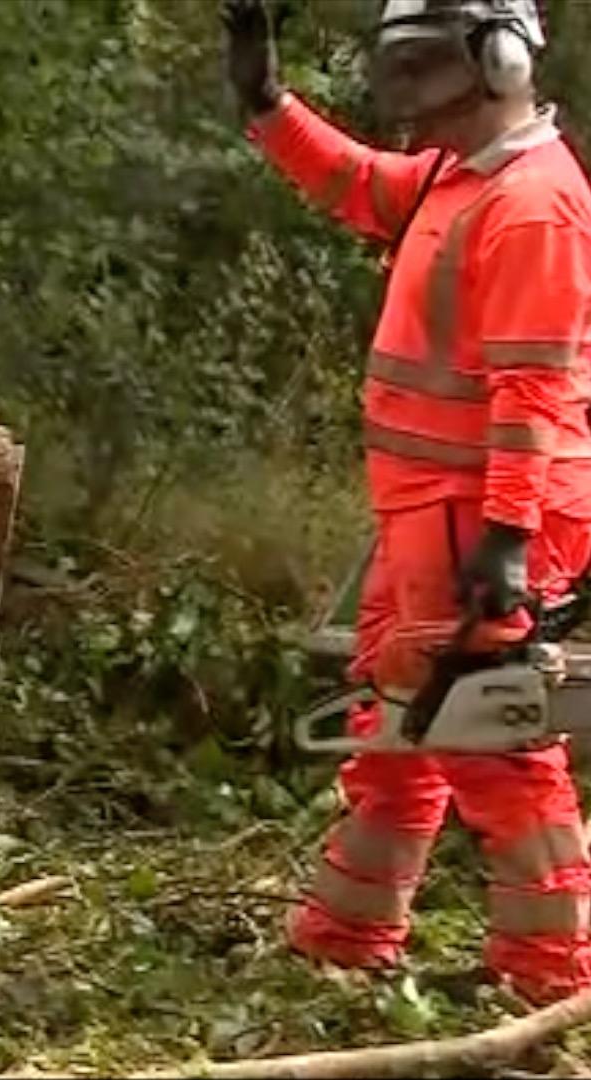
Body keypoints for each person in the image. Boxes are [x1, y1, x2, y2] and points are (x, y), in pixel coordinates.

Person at [221, 0, 591, 1002]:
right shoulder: (451, 177)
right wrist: (267, 102)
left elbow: (533, 394)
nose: (412, 86)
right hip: (429, 512)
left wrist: (508, 540)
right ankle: (346, 933)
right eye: (404, 60)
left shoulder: (532, 205)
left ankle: (549, 977)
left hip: (486, 511)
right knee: (394, 728)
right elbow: (351, 181)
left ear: (502, 60)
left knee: (490, 738)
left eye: (430, 60)